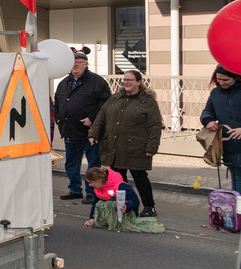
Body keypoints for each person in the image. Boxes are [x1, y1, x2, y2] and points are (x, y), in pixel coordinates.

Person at [88, 70, 162, 217]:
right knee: (119, 179)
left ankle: (149, 206)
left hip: (137, 147)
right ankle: (123, 205)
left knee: (140, 177)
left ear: (139, 82)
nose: (126, 82)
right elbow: (101, 116)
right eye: (125, 80)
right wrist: (93, 133)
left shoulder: (148, 102)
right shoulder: (115, 98)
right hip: (115, 146)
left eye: (130, 80)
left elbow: (155, 126)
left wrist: (152, 147)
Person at [53, 48, 112, 202]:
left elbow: (106, 103)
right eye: (73, 62)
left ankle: (93, 193)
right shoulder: (64, 83)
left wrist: (93, 118)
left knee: (93, 164)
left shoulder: (97, 82)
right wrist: (59, 118)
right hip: (70, 130)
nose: (75, 65)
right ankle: (75, 190)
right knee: (71, 164)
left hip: (90, 132)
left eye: (79, 62)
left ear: (86, 64)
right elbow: (57, 103)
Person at [201, 65, 241, 193]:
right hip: (230, 145)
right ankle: (238, 209)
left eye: (225, 80)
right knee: (237, 178)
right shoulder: (215, 93)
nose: (221, 82)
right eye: (219, 79)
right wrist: (208, 121)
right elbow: (207, 111)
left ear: (236, 78)